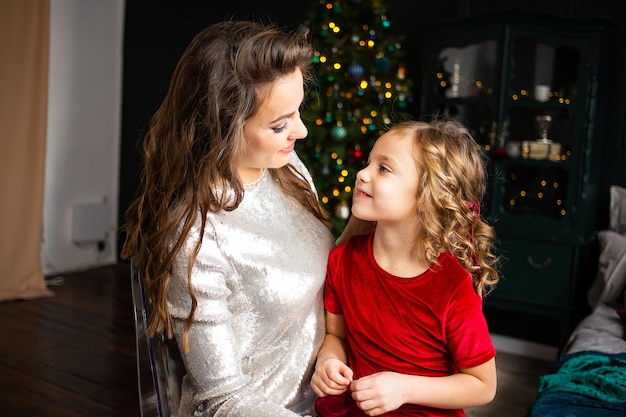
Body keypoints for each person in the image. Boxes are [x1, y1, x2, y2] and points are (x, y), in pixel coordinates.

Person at [121, 20, 370, 417]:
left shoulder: (286, 167)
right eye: (279, 124)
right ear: (221, 125)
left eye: (298, 112)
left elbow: (322, 276)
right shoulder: (198, 237)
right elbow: (224, 400)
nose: (301, 131)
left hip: (324, 403)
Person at [310, 119, 500, 417]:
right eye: (369, 163)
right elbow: (337, 336)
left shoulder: (452, 285)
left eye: (383, 168)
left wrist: (405, 388)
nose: (362, 174)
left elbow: (483, 385)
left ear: (428, 197)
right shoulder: (343, 260)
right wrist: (328, 361)